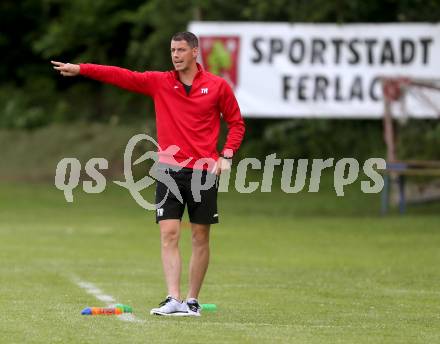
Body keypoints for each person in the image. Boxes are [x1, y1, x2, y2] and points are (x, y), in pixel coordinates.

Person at [51, 31, 245, 317]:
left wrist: (226, 154)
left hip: (203, 171)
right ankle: (173, 298)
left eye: (180, 50)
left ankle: (192, 301)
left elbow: (236, 123)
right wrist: (82, 69)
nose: (175, 55)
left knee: (200, 236)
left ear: (195, 52)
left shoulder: (217, 86)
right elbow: (121, 75)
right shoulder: (160, 82)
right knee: (169, 233)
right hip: (168, 170)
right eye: (172, 50)